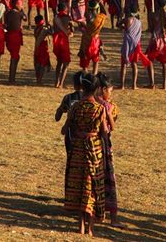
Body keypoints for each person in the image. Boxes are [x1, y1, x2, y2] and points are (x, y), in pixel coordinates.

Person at [62, 72, 106, 236]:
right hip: (94, 150)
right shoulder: (99, 109)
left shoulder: (75, 107)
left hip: (77, 150)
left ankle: (80, 226)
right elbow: (105, 131)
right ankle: (90, 228)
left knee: (79, 185)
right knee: (92, 186)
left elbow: (64, 129)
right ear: (96, 89)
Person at [96, 73, 121, 227]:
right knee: (108, 178)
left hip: (90, 145)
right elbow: (112, 126)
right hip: (103, 144)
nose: (110, 94)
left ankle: (96, 213)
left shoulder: (90, 102)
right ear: (103, 89)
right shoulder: (108, 106)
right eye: (110, 91)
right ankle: (112, 217)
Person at [118, 7, 152, 90]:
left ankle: (122, 85)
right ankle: (134, 85)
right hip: (136, 44)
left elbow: (118, 25)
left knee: (124, 65)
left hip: (127, 43)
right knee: (134, 64)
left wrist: (121, 17)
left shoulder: (126, 20)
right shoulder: (139, 22)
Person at [54, 71, 83, 156]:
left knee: (71, 158)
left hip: (71, 133)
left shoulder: (69, 98)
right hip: (87, 134)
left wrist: (61, 109)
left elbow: (57, 117)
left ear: (74, 85)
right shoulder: (93, 98)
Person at [78, 1, 107, 74]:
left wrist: (82, 24)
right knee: (95, 61)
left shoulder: (88, 20)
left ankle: (85, 77)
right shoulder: (100, 18)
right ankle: (94, 76)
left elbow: (84, 27)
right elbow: (104, 13)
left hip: (86, 42)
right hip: (96, 42)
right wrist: (101, 4)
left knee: (85, 62)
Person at [4, 0, 25, 84]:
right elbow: (25, 17)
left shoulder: (8, 13)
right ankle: (11, 79)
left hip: (11, 36)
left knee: (16, 57)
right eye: (20, 4)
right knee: (14, 57)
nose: (21, 5)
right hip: (13, 36)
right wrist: (22, 11)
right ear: (16, 4)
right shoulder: (17, 13)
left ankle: (12, 78)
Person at [52, 3, 73, 88]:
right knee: (66, 63)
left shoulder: (55, 18)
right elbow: (71, 31)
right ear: (65, 9)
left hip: (56, 41)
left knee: (59, 62)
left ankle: (56, 81)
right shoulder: (67, 18)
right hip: (63, 41)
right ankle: (61, 83)